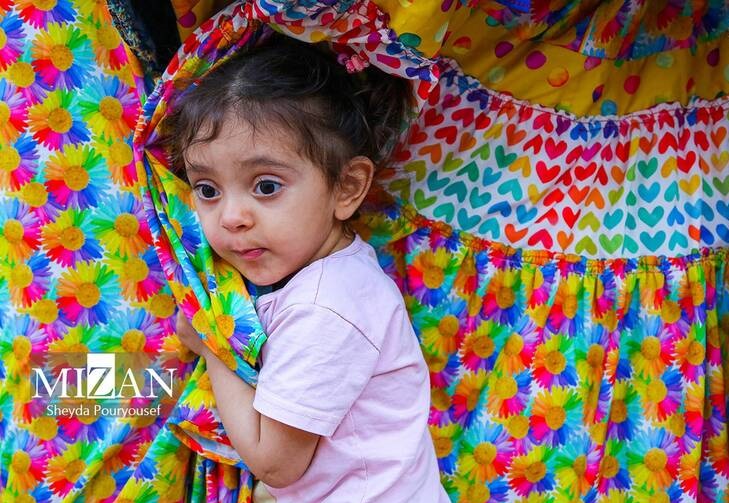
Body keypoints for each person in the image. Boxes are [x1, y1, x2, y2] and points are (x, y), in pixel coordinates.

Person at [165, 33, 449, 502]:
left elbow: (275, 462)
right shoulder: (327, 274)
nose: (231, 216)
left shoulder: (326, 307)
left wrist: (213, 343)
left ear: (347, 187)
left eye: (267, 186)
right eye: (207, 190)